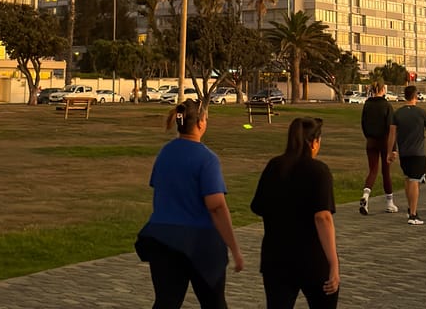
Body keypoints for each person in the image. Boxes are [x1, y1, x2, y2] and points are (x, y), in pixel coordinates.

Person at [134, 98, 244, 309]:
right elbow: (216, 206)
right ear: (201, 123)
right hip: (199, 242)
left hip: (162, 238)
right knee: (214, 303)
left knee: (166, 301)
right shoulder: (207, 158)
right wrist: (235, 248)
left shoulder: (165, 153)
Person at [251, 117, 340, 309]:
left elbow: (258, 207)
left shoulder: (275, 166)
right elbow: (322, 217)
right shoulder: (319, 171)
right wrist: (333, 263)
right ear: (314, 142)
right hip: (312, 259)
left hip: (276, 259)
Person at [387, 84, 426, 226]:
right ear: (416, 96)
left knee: (408, 179)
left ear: (405, 96)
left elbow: (391, 134)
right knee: (415, 181)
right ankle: (413, 215)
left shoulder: (397, 114)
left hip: (404, 153)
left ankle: (410, 208)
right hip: (418, 153)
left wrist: (390, 151)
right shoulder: (422, 113)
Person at [359, 77, 398, 215]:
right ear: (383, 90)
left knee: (373, 170)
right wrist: (393, 149)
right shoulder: (387, 105)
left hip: (370, 140)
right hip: (384, 141)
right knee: (385, 172)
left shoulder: (367, 105)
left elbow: (363, 123)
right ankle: (389, 202)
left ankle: (365, 196)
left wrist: (368, 137)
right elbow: (391, 128)